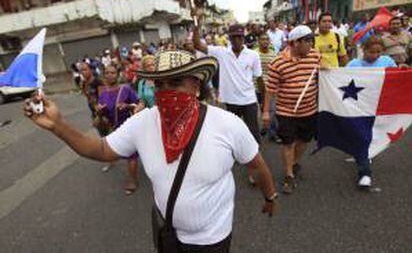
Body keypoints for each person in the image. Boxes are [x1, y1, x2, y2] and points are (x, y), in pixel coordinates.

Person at [24, 50, 277, 252]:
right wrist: (58, 126)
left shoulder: (228, 124)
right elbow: (101, 149)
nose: (166, 91)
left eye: (176, 82)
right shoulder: (144, 122)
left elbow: (256, 164)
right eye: (160, 84)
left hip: (212, 241)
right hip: (167, 235)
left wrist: (269, 197)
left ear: (197, 86)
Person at [193, 17, 263, 184]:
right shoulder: (221, 52)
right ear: (229, 38)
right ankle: (233, 159)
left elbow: (259, 78)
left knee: (253, 135)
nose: (237, 40)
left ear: (244, 37)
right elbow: (197, 45)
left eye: (239, 37)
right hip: (230, 102)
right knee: (230, 134)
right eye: (233, 37)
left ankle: (253, 170)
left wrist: (264, 102)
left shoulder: (253, 55)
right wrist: (196, 23)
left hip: (249, 100)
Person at [263, 25, 322, 194]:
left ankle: (294, 162)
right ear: (296, 43)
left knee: (304, 140)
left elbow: (324, 74)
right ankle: (289, 175)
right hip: (286, 112)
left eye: (312, 41)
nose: (311, 45)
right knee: (288, 143)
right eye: (308, 41)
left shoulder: (315, 56)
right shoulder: (278, 62)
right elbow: (270, 89)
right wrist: (266, 112)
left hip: (310, 110)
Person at [346, 35, 397, 187]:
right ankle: (365, 172)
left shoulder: (387, 61)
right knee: (363, 138)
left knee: (368, 138)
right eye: (371, 52)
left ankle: (364, 163)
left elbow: (397, 77)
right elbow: (340, 79)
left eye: (378, 52)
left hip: (380, 107)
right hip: (359, 108)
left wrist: (402, 70)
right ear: (364, 50)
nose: (375, 56)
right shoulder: (354, 64)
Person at [94, 65, 140, 193]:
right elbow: (102, 114)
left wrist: (127, 106)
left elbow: (137, 104)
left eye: (113, 72)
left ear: (118, 74)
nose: (110, 75)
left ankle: (132, 180)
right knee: (118, 151)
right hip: (113, 128)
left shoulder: (126, 89)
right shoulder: (103, 94)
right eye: (107, 73)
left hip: (127, 126)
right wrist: (99, 111)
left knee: (131, 154)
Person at [255, 33, 278, 141]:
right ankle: (264, 127)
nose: (265, 41)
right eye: (262, 39)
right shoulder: (254, 54)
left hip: (270, 88)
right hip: (256, 88)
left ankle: (272, 134)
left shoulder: (274, 55)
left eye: (267, 39)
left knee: (272, 111)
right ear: (258, 41)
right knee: (260, 110)